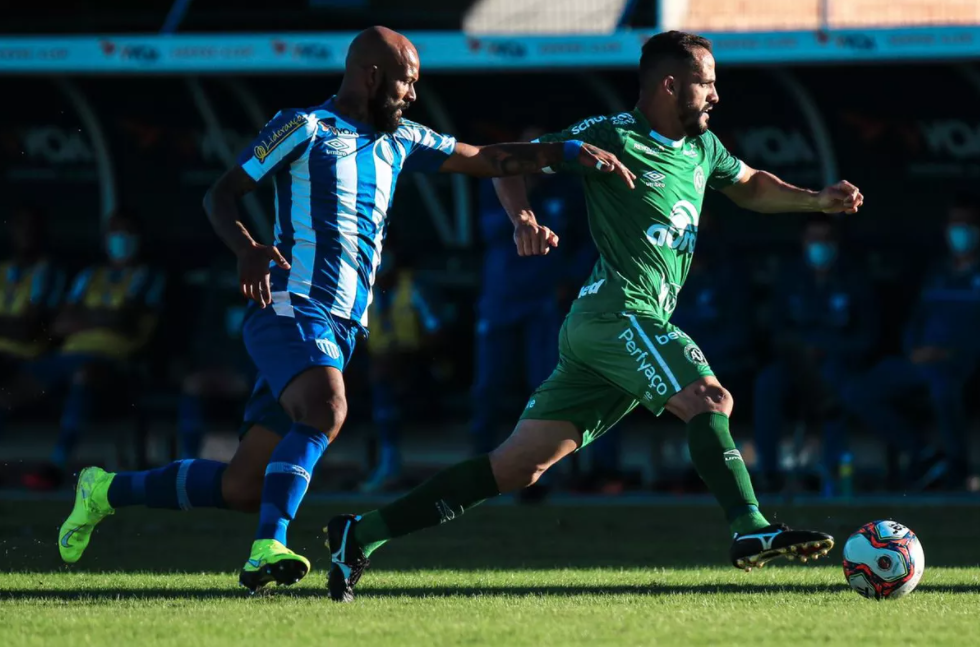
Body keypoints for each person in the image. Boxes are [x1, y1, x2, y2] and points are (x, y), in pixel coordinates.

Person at [56, 25, 632, 593]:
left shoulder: (402, 138)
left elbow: (486, 158)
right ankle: (268, 547)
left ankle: (103, 491)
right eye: (406, 82)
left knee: (240, 485)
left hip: (342, 326)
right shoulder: (302, 127)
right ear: (372, 75)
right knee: (328, 409)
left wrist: (567, 151)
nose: (412, 94)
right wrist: (248, 248)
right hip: (289, 305)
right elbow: (221, 193)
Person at [325, 30, 865, 603]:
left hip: (608, 334)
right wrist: (523, 219)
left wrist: (815, 199)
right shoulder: (610, 134)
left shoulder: (702, 149)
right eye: (706, 84)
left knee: (517, 467)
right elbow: (509, 161)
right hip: (617, 313)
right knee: (709, 399)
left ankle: (360, 535)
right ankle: (751, 526)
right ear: (670, 84)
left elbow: (751, 186)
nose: (715, 95)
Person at [2, 209, 164, 490]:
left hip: (114, 360)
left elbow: (124, 321)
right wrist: (103, 317)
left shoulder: (148, 275)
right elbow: (59, 325)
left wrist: (84, 317)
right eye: (115, 233)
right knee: (10, 390)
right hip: (66, 356)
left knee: (86, 375)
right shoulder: (89, 276)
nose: (120, 240)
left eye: (126, 233)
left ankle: (56, 464)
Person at [844, 196, 980, 490]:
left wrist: (948, 352)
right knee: (858, 390)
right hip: (920, 361)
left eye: (968, 224)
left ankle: (957, 467)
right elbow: (916, 319)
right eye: (956, 223)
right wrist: (913, 348)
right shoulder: (938, 271)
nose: (961, 231)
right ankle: (924, 454)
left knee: (944, 387)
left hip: (962, 364)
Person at [753, 214, 876, 494]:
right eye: (813, 238)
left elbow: (867, 337)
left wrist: (829, 349)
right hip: (795, 363)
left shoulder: (854, 278)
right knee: (767, 383)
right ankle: (768, 473)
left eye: (826, 239)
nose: (819, 245)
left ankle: (831, 473)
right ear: (803, 241)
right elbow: (775, 331)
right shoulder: (790, 277)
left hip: (837, 361)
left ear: (836, 243)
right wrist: (800, 352)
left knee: (834, 384)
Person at [359, 246, 443, 493]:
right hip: (378, 364)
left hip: (419, 365)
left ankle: (390, 465)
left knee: (384, 379)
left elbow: (438, 336)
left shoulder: (415, 287)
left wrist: (404, 356)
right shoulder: (364, 289)